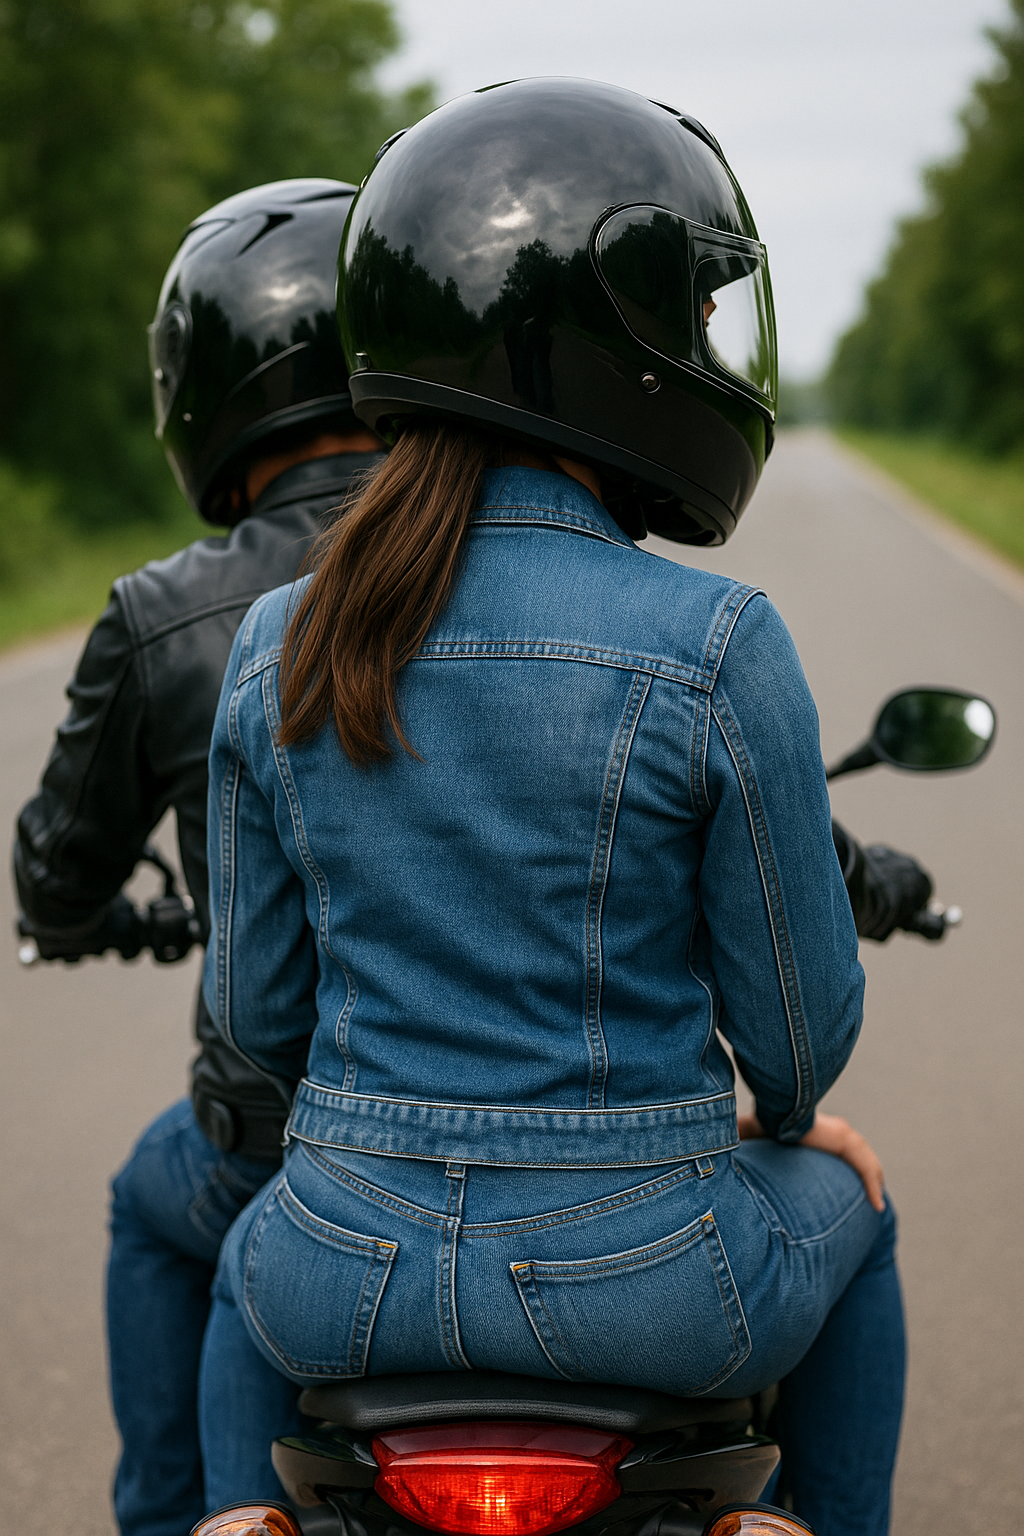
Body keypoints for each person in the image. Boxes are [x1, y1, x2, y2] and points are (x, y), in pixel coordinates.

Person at [191, 82, 925, 1536]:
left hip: (341, 1276)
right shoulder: (717, 643)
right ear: (618, 344)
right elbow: (796, 1036)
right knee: (864, 1213)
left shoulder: (282, 640)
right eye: (695, 317)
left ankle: (233, 1519)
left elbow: (256, 1019)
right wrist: (788, 1118)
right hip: (650, 1286)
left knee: (232, 1261)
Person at [13, 178, 385, 1536]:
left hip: (277, 1153)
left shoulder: (167, 616)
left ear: (204, 382)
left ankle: (172, 1514)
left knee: (147, 1198)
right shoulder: (529, 561)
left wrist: (95, 908)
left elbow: (55, 876)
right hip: (556, 1155)